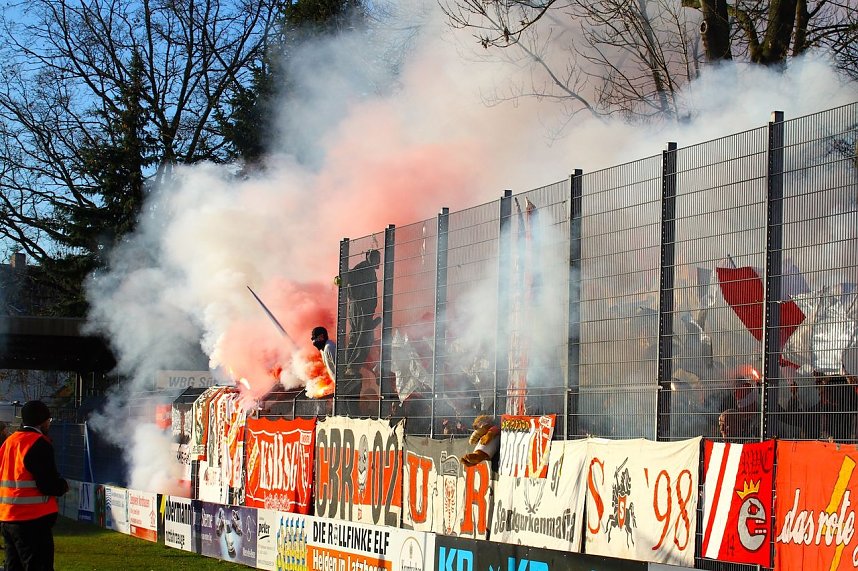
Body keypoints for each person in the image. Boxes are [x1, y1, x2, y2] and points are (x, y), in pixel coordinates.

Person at [0, 400, 69, 570]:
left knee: (13, 566)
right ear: (42, 421)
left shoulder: (9, 442)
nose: (49, 424)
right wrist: (62, 486)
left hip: (8, 517)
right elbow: (47, 484)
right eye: (48, 420)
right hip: (32, 519)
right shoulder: (39, 442)